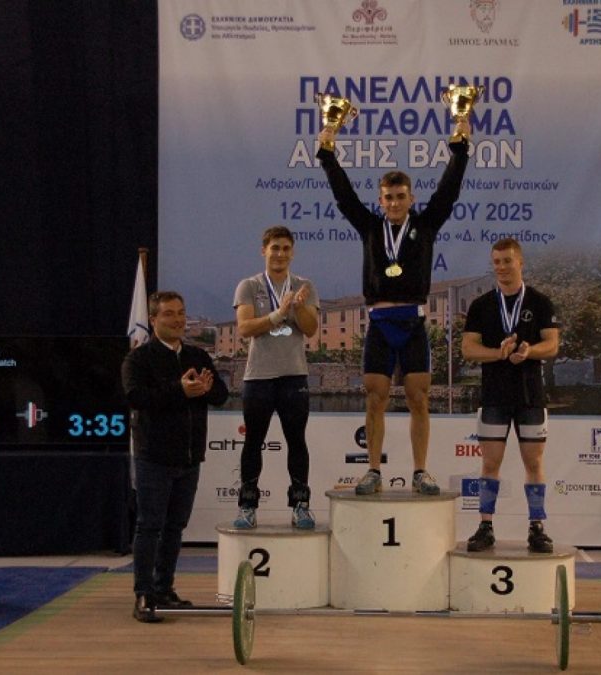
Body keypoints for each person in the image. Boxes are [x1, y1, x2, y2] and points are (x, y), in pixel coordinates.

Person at [316, 118, 471, 496]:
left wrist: (460, 148)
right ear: (381, 200)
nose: (395, 202)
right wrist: (327, 154)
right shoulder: (370, 227)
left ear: (411, 199)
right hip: (379, 324)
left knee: (419, 399)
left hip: (413, 323)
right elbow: (344, 197)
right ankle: (373, 470)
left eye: (401, 196)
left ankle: (420, 471)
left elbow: (448, 192)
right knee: (375, 398)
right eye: (389, 197)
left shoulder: (427, 225)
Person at [122, 291, 229, 622]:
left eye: (181, 313)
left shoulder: (197, 355)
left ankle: (164, 589)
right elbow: (136, 397)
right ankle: (143, 595)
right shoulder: (139, 359)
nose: (178, 320)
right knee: (149, 526)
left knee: (174, 528)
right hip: (153, 457)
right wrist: (179, 390)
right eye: (169, 314)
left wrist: (207, 389)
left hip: (189, 458)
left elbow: (221, 395)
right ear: (153, 320)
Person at [460, 238, 560, 553]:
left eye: (507, 261)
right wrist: (498, 354)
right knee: (490, 463)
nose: (502, 267)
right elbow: (468, 349)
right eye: (497, 262)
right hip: (494, 396)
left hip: (531, 396)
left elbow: (552, 344)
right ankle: (485, 526)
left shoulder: (540, 302)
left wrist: (529, 351)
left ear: (520, 262)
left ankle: (537, 527)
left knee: (534, 462)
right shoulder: (481, 305)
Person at [232, 226, 320, 529]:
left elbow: (310, 329)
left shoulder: (304, 286)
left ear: (292, 253)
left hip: (294, 376)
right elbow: (245, 328)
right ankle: (247, 506)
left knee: (297, 441)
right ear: (264, 251)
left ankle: (300, 505)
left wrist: (298, 307)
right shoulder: (249, 286)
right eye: (275, 248)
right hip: (258, 376)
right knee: (253, 442)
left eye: (285, 248)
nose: (280, 254)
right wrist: (279, 313)